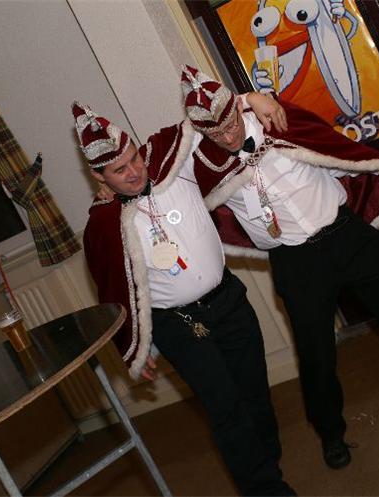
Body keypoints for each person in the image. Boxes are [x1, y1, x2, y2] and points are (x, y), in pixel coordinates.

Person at [178, 66, 379, 470]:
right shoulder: (201, 161)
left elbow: (331, 153)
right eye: (216, 134)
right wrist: (246, 98)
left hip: (347, 237)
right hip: (296, 261)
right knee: (316, 354)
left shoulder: (278, 118)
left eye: (230, 125)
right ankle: (331, 434)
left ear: (236, 111)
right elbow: (159, 152)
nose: (227, 138)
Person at [73, 98, 295, 496]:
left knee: (255, 395)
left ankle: (267, 464)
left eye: (134, 158)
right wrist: (137, 346)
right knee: (225, 408)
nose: (134, 171)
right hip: (179, 325)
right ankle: (266, 490)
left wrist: (249, 99)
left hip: (230, 301)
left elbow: (206, 114)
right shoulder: (104, 225)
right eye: (119, 170)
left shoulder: (174, 168)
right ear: (98, 176)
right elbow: (114, 289)